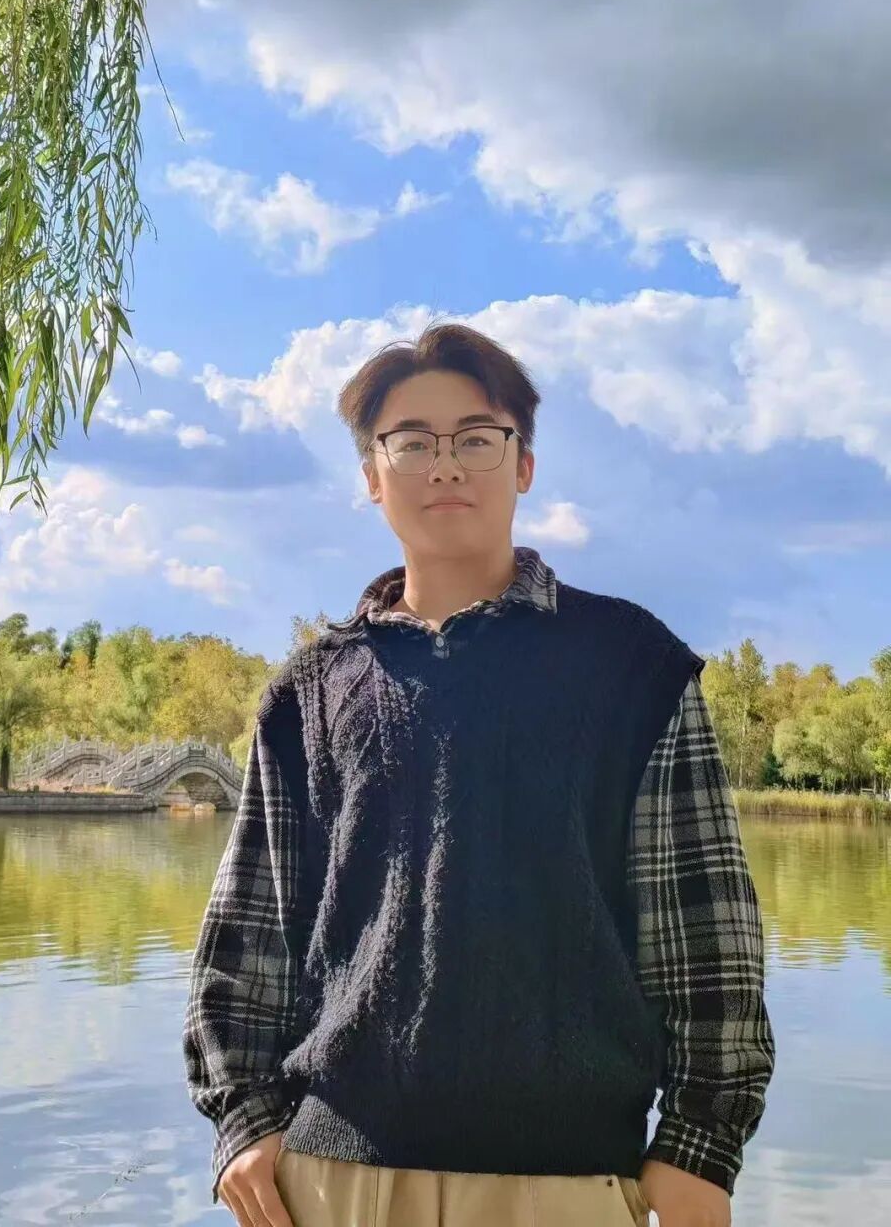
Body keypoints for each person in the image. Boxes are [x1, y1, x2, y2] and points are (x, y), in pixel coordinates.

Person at [183, 321, 775, 1227]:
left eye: (475, 439)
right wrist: (243, 1118)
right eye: (412, 443)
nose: (445, 466)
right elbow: (250, 928)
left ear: (523, 464)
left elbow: (704, 927)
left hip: (568, 1182)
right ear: (372, 475)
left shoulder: (631, 663)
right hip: (334, 1177)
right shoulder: (310, 690)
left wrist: (702, 1141)